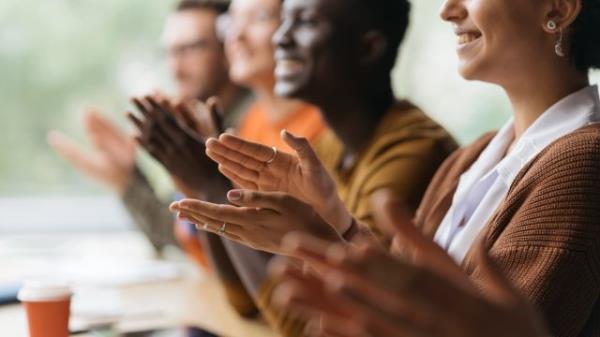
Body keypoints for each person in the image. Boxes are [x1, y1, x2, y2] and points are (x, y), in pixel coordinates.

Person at [175, 0, 600, 335]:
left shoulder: (581, 164)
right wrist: (331, 222)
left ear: (558, 9)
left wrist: (316, 236)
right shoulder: (472, 158)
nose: (448, 9)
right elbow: (399, 304)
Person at [172, 0, 458, 335]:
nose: (281, 39)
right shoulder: (329, 147)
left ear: (368, 48)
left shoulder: (411, 154)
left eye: (305, 22)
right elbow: (247, 301)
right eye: (283, 22)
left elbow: (319, 320)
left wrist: (214, 186)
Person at [48, 0, 253, 253]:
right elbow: (183, 236)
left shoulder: (255, 127)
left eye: (190, 49)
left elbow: (243, 247)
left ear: (229, 46)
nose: (175, 68)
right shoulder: (201, 129)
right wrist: (128, 179)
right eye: (168, 52)